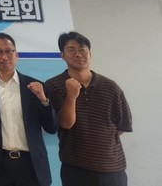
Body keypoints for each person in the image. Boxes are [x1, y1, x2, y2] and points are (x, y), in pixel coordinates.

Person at [44, 31, 132, 186]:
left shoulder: (111, 87)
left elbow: (123, 124)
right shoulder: (54, 85)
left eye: (82, 49)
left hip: (113, 169)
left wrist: (101, 144)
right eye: (71, 50)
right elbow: (65, 123)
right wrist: (71, 96)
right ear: (62, 55)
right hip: (76, 169)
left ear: (90, 53)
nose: (78, 54)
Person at [0, 32, 57, 186]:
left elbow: (51, 127)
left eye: (8, 51)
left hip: (32, 164)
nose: (4, 57)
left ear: (16, 54)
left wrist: (43, 100)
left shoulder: (35, 86)